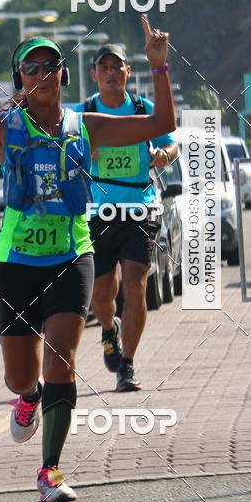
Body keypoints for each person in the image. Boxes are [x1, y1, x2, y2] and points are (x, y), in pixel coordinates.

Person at [0, 15, 175, 502]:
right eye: (29, 68)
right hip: (16, 262)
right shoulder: (2, 128)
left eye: (50, 66)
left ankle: (50, 472)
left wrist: (159, 69)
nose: (40, 74)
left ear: (63, 75)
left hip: (71, 255)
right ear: (20, 78)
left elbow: (162, 126)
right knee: (21, 374)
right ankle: (28, 397)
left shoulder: (88, 125)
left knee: (63, 360)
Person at [75, 45, 179, 391]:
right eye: (103, 67)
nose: (110, 72)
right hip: (98, 213)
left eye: (116, 66)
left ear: (127, 72)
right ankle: (108, 329)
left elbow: (171, 142)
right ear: (94, 75)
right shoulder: (84, 113)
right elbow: (59, 146)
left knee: (136, 285)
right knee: (102, 296)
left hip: (140, 206)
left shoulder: (141, 109)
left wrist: (164, 154)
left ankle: (128, 367)